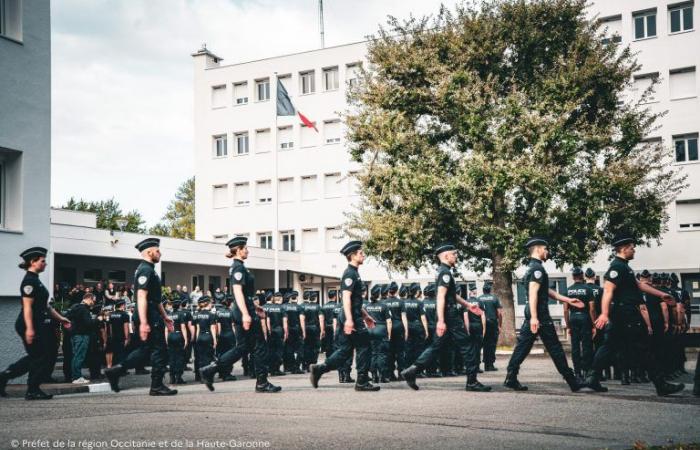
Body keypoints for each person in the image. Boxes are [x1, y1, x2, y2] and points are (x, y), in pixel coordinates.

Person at [586, 234, 685, 396]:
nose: (634, 250)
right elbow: (608, 290)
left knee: (609, 345)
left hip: (623, 313)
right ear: (624, 249)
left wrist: (661, 295)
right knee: (644, 347)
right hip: (627, 314)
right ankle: (660, 384)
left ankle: (593, 378)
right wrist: (604, 313)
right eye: (632, 247)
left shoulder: (625, 267)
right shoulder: (617, 267)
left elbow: (639, 285)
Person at [401, 244, 490, 392]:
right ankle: (472, 382)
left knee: (437, 346)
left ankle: (413, 370)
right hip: (450, 315)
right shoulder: (445, 273)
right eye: (454, 254)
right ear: (446, 256)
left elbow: (450, 294)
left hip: (447, 313)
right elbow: (441, 296)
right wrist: (441, 320)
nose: (456, 256)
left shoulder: (442, 271)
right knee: (468, 346)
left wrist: (468, 305)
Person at [199, 236, 281, 393]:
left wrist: (255, 308)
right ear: (238, 250)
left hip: (245, 309)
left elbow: (245, 294)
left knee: (242, 348)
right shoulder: (238, 268)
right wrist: (246, 314)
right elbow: (237, 291)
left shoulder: (239, 267)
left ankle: (209, 370)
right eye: (245, 248)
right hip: (243, 311)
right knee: (260, 347)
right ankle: (262, 382)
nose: (247, 250)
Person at [502, 237, 584, 392]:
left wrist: (568, 300)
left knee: (523, 347)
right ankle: (573, 382)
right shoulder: (537, 269)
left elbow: (546, 290)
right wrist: (534, 317)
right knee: (555, 348)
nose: (547, 252)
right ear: (538, 249)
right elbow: (533, 293)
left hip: (535, 314)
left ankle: (511, 377)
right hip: (539, 315)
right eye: (545, 249)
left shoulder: (533, 267)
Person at [103, 238, 177, 396]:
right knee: (160, 350)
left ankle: (116, 371)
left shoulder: (149, 269)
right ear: (149, 252)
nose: (160, 253)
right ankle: (156, 385)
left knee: (146, 349)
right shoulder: (145, 270)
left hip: (150, 312)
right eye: (157, 250)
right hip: (147, 313)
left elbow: (156, 299)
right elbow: (142, 296)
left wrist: (165, 316)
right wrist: (144, 322)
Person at [0, 247, 72, 400]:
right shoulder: (29, 281)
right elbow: (27, 307)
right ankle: (32, 389)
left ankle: (5, 377)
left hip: (35, 323)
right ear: (33, 262)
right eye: (43, 261)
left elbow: (45, 306)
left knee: (36, 356)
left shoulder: (36, 280)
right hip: (28, 324)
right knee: (40, 356)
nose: (45, 264)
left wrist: (61, 318)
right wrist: (30, 329)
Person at [310, 241, 380, 391]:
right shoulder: (349, 274)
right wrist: (349, 320)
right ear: (353, 255)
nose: (364, 255)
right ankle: (362, 381)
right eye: (361, 253)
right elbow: (346, 298)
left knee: (345, 351)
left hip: (352, 315)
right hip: (351, 317)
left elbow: (355, 301)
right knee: (364, 346)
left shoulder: (354, 273)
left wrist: (366, 316)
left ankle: (319, 369)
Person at [563, 267, 596, 382]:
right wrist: (594, 324)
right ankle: (587, 371)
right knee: (587, 346)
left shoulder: (568, 290)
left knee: (575, 346)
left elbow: (566, 310)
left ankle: (577, 372)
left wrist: (568, 325)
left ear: (572, 277)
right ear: (582, 276)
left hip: (573, 318)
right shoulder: (587, 289)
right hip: (585, 318)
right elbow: (592, 309)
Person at [67, 293, 97, 384]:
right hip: (82, 335)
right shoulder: (83, 309)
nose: (93, 303)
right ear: (89, 299)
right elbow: (88, 323)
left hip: (74, 335)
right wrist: (97, 320)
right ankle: (77, 377)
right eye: (93, 301)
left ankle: (75, 376)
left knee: (76, 355)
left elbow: (67, 318)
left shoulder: (75, 307)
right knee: (79, 356)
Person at [365, 284, 392, 383]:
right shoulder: (384, 306)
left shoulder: (366, 306)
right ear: (379, 294)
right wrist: (389, 334)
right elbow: (389, 321)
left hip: (370, 330)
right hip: (381, 330)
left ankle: (373, 376)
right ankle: (382, 376)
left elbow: (364, 321)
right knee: (382, 354)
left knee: (372, 354)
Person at [402, 283, 428, 370]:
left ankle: (407, 367)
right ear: (417, 292)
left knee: (408, 348)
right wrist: (426, 330)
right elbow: (423, 318)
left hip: (407, 327)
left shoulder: (404, 302)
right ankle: (417, 369)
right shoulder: (419, 303)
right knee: (418, 349)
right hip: (417, 327)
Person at [478, 282, 502, 371]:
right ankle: (490, 365)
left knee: (484, 343)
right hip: (492, 323)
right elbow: (499, 313)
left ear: (483, 290)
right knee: (492, 344)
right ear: (490, 290)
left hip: (482, 323)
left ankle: (485, 363)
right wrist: (499, 325)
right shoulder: (494, 298)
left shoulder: (479, 299)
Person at [386, 282, 406, 381]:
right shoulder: (401, 302)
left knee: (390, 352)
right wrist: (406, 330)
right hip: (399, 327)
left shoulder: (384, 302)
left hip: (388, 329)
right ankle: (401, 374)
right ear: (397, 291)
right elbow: (403, 317)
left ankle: (390, 374)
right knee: (400, 352)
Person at [166, 300, 188, 385]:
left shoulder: (169, 315)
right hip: (178, 335)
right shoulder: (180, 314)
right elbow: (183, 328)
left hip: (170, 335)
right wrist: (186, 339)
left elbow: (166, 329)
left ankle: (172, 377)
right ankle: (178, 377)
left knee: (172, 357)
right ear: (179, 306)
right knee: (179, 357)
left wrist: (166, 339)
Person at [216, 296, 237, 381]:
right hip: (230, 335)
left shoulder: (218, 312)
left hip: (222, 335)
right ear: (230, 303)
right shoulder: (231, 312)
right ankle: (227, 374)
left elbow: (218, 325)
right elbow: (233, 326)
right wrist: (236, 336)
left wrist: (218, 335)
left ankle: (221, 373)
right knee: (229, 354)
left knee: (221, 354)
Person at [282, 291, 304, 374]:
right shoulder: (299, 307)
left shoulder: (283, 307)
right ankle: (296, 367)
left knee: (288, 349)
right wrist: (303, 331)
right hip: (297, 330)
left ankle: (289, 367)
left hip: (287, 330)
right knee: (299, 349)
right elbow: (302, 320)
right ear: (296, 298)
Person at [265, 293, 286, 376]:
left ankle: (270, 368)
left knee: (270, 350)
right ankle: (276, 369)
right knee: (278, 351)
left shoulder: (267, 308)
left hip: (270, 332)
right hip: (279, 331)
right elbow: (284, 322)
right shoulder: (281, 308)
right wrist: (286, 332)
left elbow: (267, 321)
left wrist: (269, 331)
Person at [300, 291, 321, 372]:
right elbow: (321, 319)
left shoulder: (303, 307)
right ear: (315, 298)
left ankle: (306, 365)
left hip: (306, 328)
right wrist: (322, 330)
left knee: (306, 347)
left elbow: (302, 319)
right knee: (315, 348)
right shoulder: (318, 307)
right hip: (315, 329)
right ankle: (313, 364)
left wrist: (303, 330)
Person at [108, 299, 130, 367]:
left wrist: (112, 336)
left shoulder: (111, 315)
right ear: (122, 305)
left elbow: (110, 327)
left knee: (115, 353)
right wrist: (127, 338)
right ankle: (121, 370)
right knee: (122, 353)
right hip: (122, 337)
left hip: (114, 336)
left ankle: (115, 368)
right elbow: (126, 327)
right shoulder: (125, 314)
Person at [320, 290, 337, 358]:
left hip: (326, 326)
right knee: (334, 343)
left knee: (327, 343)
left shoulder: (324, 306)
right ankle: (334, 358)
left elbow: (322, 319)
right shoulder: (337, 306)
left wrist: (323, 329)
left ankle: (328, 358)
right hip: (335, 326)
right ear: (335, 297)